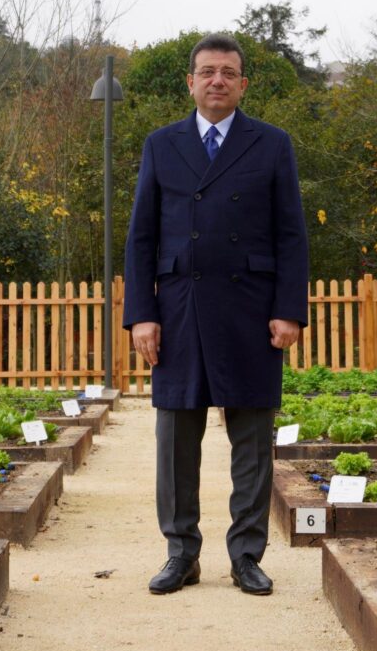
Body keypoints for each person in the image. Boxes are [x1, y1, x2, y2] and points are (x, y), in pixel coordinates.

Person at [123, 33, 308, 596]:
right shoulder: (162, 144)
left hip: (252, 310)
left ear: (243, 83)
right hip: (178, 309)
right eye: (207, 72)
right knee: (176, 439)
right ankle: (181, 553)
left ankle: (247, 555)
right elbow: (141, 237)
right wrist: (142, 315)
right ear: (191, 81)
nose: (218, 81)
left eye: (228, 72)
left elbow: (291, 235)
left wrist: (288, 310)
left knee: (252, 440)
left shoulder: (272, 144)